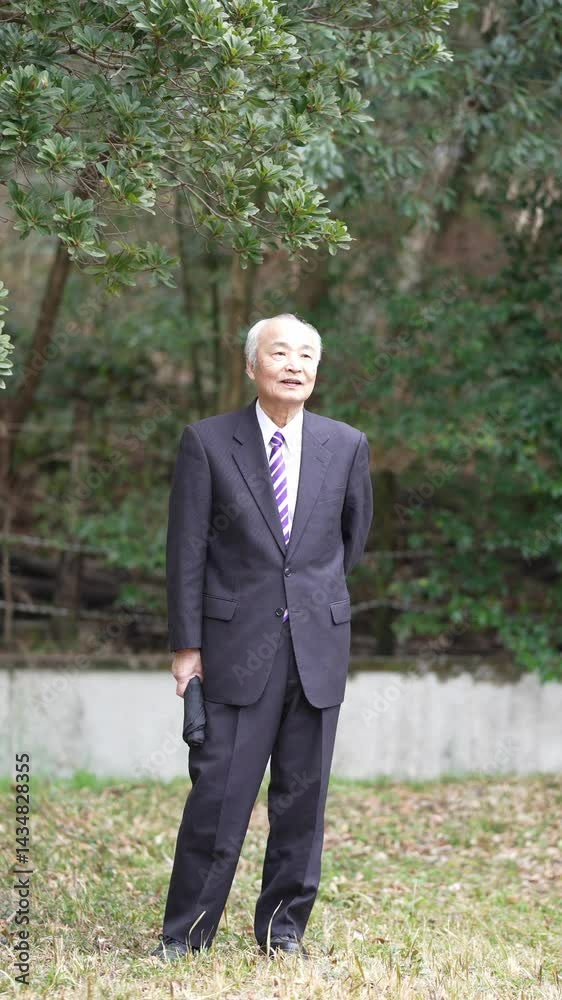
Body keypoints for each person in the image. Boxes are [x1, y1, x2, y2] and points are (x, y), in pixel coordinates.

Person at [152, 313, 373, 961]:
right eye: (280, 353)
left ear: (317, 369)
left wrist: (311, 600)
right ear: (252, 366)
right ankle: (185, 935)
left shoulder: (346, 445)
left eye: (306, 354)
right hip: (233, 648)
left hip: (316, 648)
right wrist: (186, 647)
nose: (294, 364)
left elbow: (350, 541)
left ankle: (283, 930)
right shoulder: (208, 442)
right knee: (219, 795)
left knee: (302, 801)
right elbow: (186, 551)